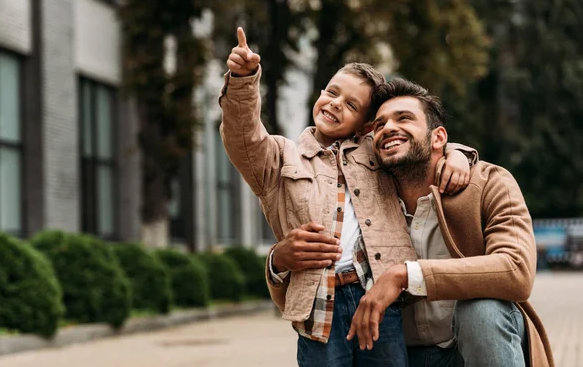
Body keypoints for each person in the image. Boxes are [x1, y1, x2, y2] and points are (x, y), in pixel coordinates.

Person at [220, 27, 474, 367]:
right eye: (332, 92)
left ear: (365, 126)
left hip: (378, 298)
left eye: (351, 104)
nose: (335, 104)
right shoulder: (281, 156)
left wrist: (458, 154)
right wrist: (243, 79)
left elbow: (421, 147)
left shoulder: (377, 153)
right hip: (319, 304)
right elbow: (242, 135)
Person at [346, 78, 555, 367]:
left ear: (438, 138)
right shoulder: (361, 203)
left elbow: (516, 270)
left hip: (470, 350)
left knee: (482, 311)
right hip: (399, 356)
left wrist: (406, 275)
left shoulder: (489, 183)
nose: (388, 128)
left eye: (404, 118)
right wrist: (278, 264)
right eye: (379, 125)